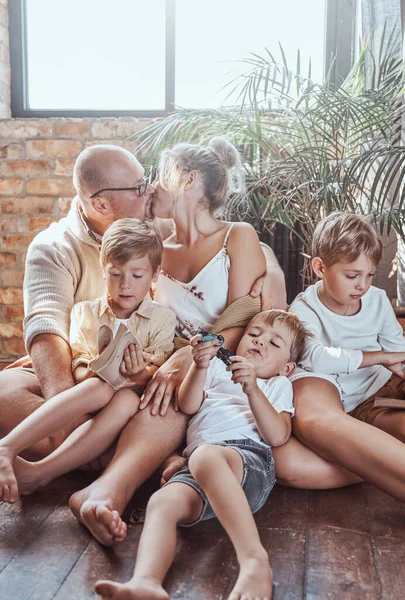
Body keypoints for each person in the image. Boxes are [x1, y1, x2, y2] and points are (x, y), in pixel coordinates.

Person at [1, 142, 286, 545]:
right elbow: (47, 328)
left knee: (154, 401)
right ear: (100, 205)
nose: (149, 190)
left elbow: (237, 265)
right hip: (115, 358)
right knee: (19, 389)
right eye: (139, 187)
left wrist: (272, 270)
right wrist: (79, 397)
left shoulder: (177, 231)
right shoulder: (76, 246)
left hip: (177, 362)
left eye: (150, 180)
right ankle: (113, 453)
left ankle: (101, 484)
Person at [95, 310, 309, 600]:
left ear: (287, 368)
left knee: (206, 457)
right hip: (200, 464)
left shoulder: (276, 385)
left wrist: (253, 390)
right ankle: (146, 583)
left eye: (274, 343)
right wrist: (198, 366)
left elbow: (277, 435)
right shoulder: (216, 371)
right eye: (255, 335)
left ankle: (254, 561)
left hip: (248, 460)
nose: (260, 343)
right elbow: (188, 404)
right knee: (161, 503)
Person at [0, 218, 176, 505]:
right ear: (103, 268)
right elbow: (78, 366)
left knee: (125, 400)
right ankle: (7, 447)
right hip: (91, 393)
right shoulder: (86, 313)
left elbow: (155, 374)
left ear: (155, 274)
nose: (125, 285)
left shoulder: (162, 318)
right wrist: (96, 369)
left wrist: (139, 373)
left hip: (133, 401)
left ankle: (40, 473)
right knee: (100, 388)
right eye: (116, 274)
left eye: (137, 275)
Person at [285, 212, 405, 500]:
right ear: (319, 267)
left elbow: (396, 350)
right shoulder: (303, 308)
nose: (362, 285)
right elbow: (315, 357)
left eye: (369, 275)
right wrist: (379, 357)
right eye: (352, 275)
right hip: (332, 393)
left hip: (376, 395)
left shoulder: (375, 299)